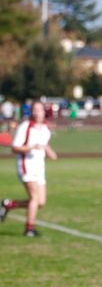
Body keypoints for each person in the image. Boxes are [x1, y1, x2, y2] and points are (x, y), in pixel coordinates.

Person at [0, 100, 57, 237]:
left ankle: (9, 204)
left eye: (40, 110)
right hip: (26, 165)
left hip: (39, 167)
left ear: (44, 112)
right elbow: (14, 147)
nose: (38, 113)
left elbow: (45, 144)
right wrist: (30, 147)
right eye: (35, 110)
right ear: (31, 111)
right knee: (34, 198)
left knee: (41, 202)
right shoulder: (25, 126)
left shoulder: (45, 128)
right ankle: (29, 229)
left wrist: (50, 152)